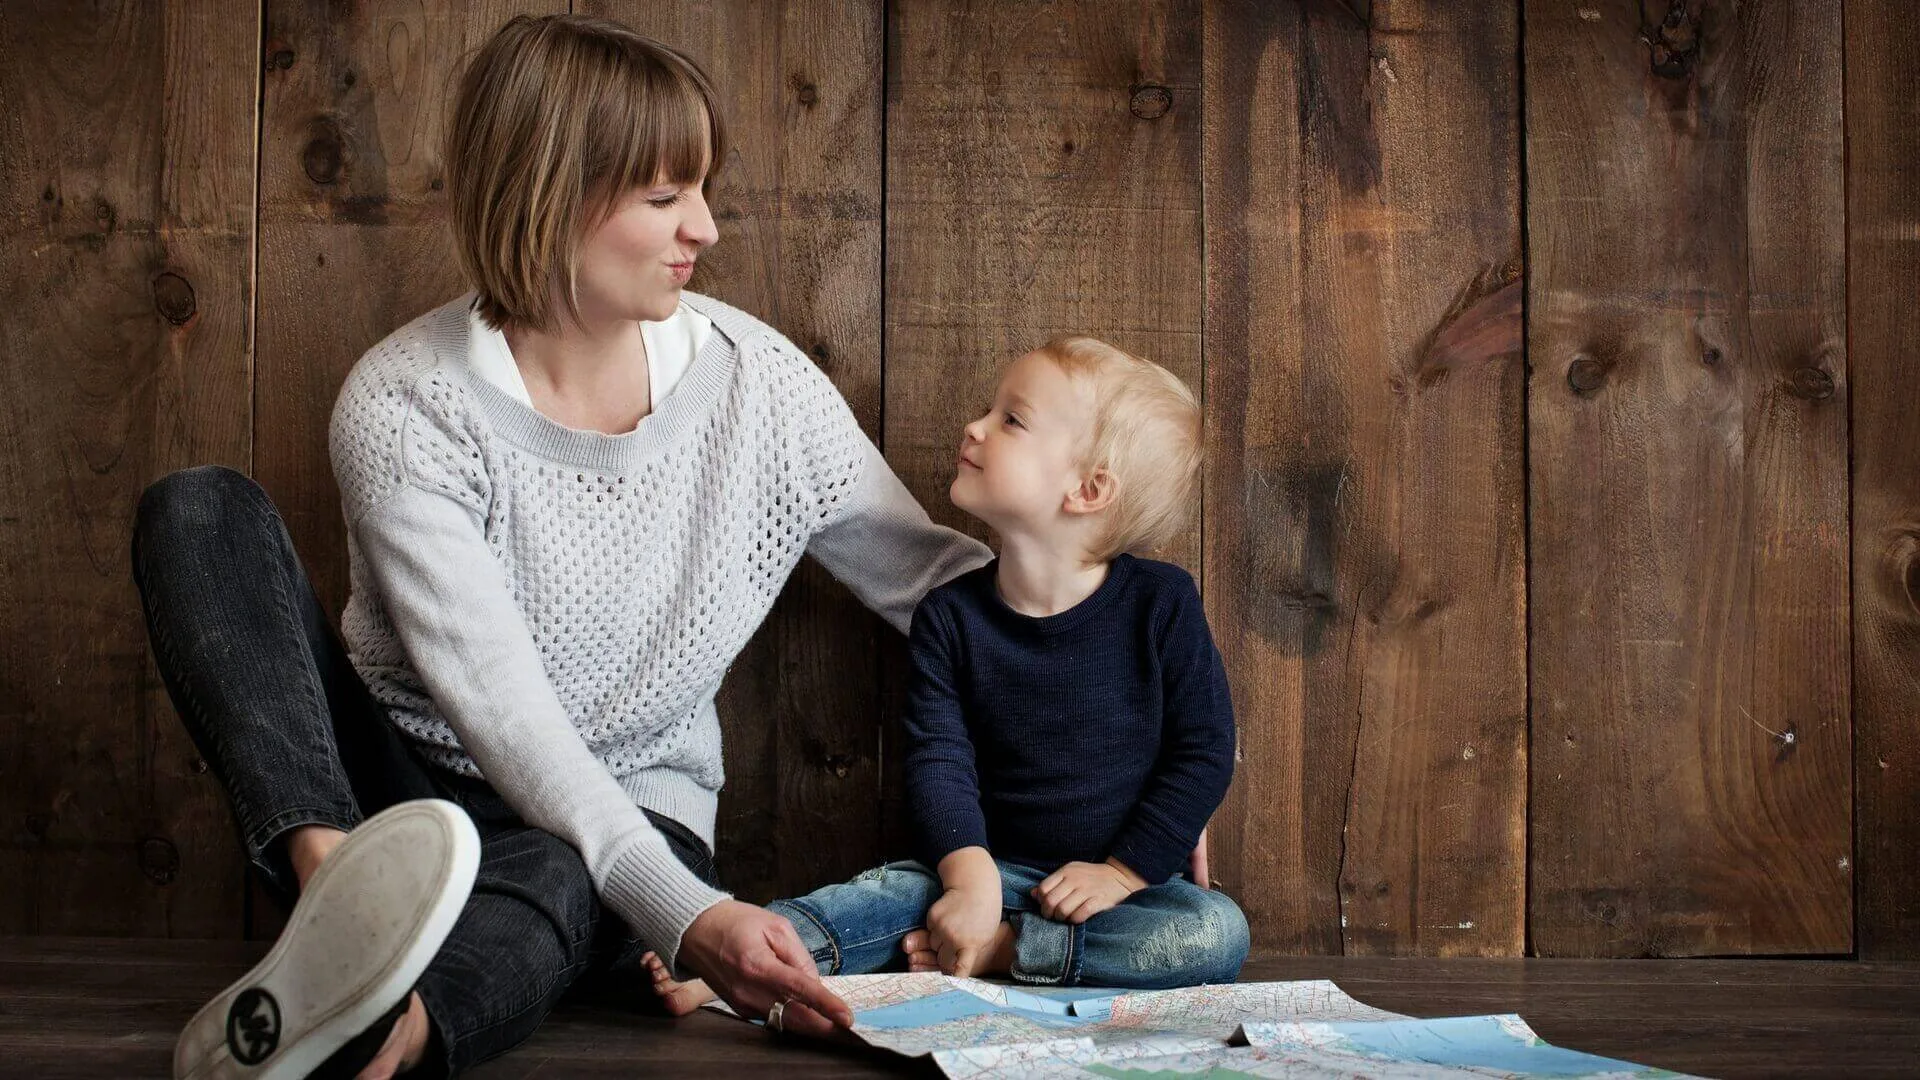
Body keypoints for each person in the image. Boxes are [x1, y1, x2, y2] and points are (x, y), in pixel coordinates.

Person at [134, 13, 990, 1079]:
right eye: (667, 196)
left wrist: (1145, 723)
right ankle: (338, 897)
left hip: (631, 821)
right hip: (401, 795)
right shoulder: (407, 404)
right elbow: (503, 712)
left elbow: (942, 584)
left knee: (558, 867)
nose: (707, 231)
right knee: (198, 509)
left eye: (701, 191)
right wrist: (365, 855)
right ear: (551, 193)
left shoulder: (760, 389)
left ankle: (378, 1030)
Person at [646, 336, 1246, 1014]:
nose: (976, 426)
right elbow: (940, 761)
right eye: (990, 410)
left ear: (1088, 489)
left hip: (1120, 895)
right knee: (881, 898)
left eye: (1011, 420)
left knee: (1214, 934)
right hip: (989, 867)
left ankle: (1009, 953)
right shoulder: (952, 618)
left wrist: (1122, 872)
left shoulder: (1161, 604)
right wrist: (969, 880)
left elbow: (1203, 750)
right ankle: (738, 963)